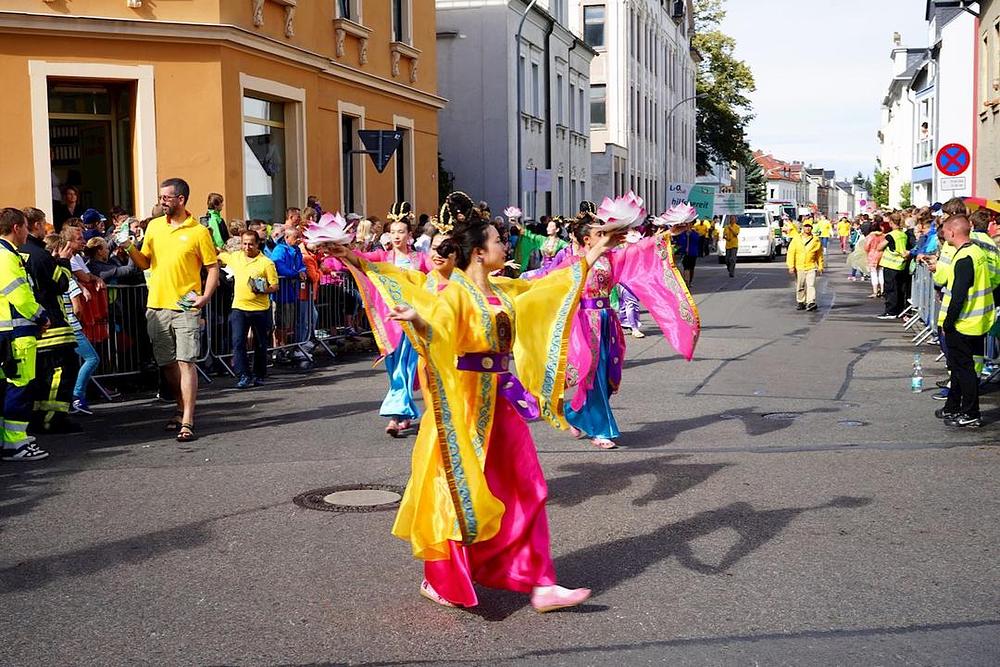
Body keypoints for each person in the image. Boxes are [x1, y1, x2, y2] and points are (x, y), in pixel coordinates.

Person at [330, 191, 626, 612]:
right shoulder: (456, 293)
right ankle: (442, 578)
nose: (505, 245)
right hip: (463, 405)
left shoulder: (504, 290)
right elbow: (440, 330)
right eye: (498, 241)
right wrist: (417, 320)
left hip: (502, 401)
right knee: (457, 490)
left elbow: (546, 288)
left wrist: (596, 248)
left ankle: (540, 582)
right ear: (478, 251)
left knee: (528, 486)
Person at [120, 177, 220, 443]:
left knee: (187, 362)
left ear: (181, 199)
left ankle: (187, 419)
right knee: (167, 364)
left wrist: (205, 296)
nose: (162, 201)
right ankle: (179, 406)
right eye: (161, 197)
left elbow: (212, 267)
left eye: (166, 197)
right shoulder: (154, 227)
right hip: (157, 305)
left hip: (186, 307)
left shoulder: (198, 232)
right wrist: (129, 247)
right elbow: (144, 263)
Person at [333, 201, 433, 437]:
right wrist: (343, 251)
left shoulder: (420, 259)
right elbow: (361, 260)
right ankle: (404, 413)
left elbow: (439, 277)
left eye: (401, 232)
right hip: (389, 322)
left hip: (412, 321)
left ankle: (395, 415)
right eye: (393, 232)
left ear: (410, 235)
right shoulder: (382, 256)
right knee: (394, 369)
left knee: (406, 369)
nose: (397, 236)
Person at [18, 208, 80, 433]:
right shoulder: (38, 254)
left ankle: (38, 417)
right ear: (34, 225)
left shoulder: (18, 253)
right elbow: (60, 283)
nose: (46, 226)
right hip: (51, 323)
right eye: (43, 222)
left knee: (40, 374)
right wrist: (63, 262)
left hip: (30, 325)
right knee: (62, 370)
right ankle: (53, 418)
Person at [931, 215, 996, 427]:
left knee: (962, 369)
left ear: (952, 233)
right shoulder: (976, 251)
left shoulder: (964, 258)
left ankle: (970, 412)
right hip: (978, 320)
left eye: (945, 231)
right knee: (960, 369)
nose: (943, 235)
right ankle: (954, 406)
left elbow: (958, 295)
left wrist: (948, 323)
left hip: (964, 322)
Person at [0, 208, 51, 462]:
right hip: (15, 332)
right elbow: (20, 295)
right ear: (17, 228)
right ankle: (15, 444)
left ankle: (8, 442)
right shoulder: (6, 256)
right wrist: (41, 315)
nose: (27, 233)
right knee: (19, 386)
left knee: (6, 387)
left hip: (7, 332)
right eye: (25, 228)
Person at [45, 234, 99, 416]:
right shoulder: (66, 276)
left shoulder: (49, 274)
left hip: (58, 327)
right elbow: (77, 306)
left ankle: (71, 398)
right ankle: (77, 396)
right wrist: (77, 321)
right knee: (91, 359)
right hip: (71, 327)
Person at [218, 231, 279, 388]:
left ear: (257, 244)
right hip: (239, 307)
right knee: (238, 342)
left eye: (250, 243)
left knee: (260, 343)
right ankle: (243, 375)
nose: (247, 247)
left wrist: (263, 290)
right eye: (244, 243)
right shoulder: (236, 257)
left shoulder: (266, 263)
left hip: (260, 308)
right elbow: (219, 254)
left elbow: (275, 286)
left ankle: (259, 374)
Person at [877, 213, 912, 320]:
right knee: (900, 289)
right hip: (901, 265)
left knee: (890, 289)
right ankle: (899, 310)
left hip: (890, 265)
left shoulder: (891, 235)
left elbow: (879, 247)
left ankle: (890, 311)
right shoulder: (903, 234)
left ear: (891, 223)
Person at [786, 221, 824, 312]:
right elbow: (791, 253)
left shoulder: (816, 240)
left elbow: (819, 254)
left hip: (811, 266)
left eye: (809, 227)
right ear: (803, 227)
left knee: (811, 285)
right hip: (799, 267)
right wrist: (791, 266)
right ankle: (801, 301)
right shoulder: (796, 239)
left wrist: (820, 266)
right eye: (806, 226)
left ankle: (811, 302)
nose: (808, 228)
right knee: (800, 285)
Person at [675, 221, 701, 286]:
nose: (687, 226)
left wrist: (691, 234)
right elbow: (680, 242)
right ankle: (687, 282)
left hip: (693, 253)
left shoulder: (695, 233)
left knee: (691, 268)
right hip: (685, 253)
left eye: (689, 224)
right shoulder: (682, 234)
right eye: (686, 224)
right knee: (686, 267)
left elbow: (697, 240)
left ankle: (690, 280)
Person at [865, 218, 886, 299]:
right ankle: (882, 290)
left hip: (872, 255)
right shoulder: (884, 235)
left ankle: (875, 291)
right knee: (881, 272)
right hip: (882, 254)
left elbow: (866, 247)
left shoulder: (870, 236)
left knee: (874, 273)